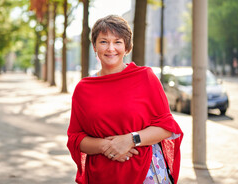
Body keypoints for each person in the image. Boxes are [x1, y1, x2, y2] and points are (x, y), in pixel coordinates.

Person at [67, 15, 183, 184]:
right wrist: (106, 146)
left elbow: (166, 127)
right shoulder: (83, 89)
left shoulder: (145, 77)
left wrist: (131, 140)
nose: (110, 48)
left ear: (127, 47)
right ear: (94, 46)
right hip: (102, 176)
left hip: (146, 174)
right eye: (104, 41)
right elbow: (75, 138)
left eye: (118, 42)